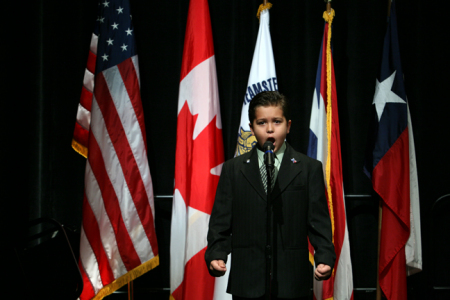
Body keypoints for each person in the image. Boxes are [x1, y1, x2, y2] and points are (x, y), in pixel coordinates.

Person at [205, 91, 335, 300]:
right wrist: (216, 254)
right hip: (247, 280)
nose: (270, 129)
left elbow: (318, 222)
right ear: (252, 128)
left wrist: (325, 257)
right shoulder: (234, 169)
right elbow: (221, 222)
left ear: (288, 125)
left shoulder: (309, 168)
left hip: (292, 281)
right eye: (262, 122)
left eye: (277, 121)